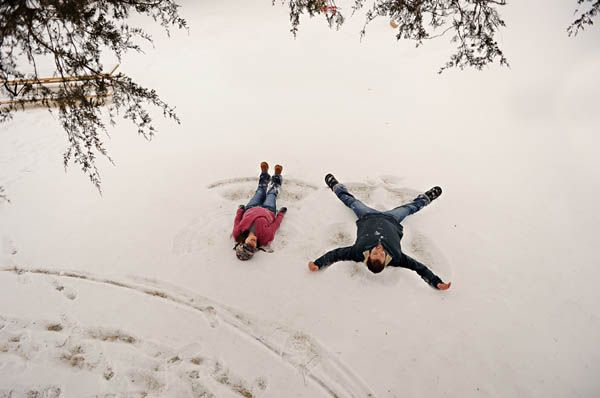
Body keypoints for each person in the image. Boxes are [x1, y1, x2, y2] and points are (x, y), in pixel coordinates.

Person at [308, 174, 451, 290]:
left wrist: (318, 263)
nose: (379, 250)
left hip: (367, 216)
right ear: (385, 260)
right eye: (381, 255)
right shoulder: (397, 257)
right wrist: (436, 282)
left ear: (368, 256)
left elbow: (335, 254)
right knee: (409, 208)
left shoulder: (357, 252)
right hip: (392, 220)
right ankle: (427, 197)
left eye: (374, 253)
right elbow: (419, 268)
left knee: (351, 202)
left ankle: (336, 186)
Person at [232, 162, 287, 261]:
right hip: (268, 210)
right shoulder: (266, 238)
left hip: (251, 208)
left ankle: (264, 175)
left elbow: (237, 221)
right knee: (272, 193)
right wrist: (281, 214)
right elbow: (275, 225)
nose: (252, 243)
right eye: (253, 247)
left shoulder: (238, 234)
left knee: (260, 190)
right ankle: (277, 177)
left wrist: (240, 210)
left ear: (242, 242)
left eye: (248, 244)